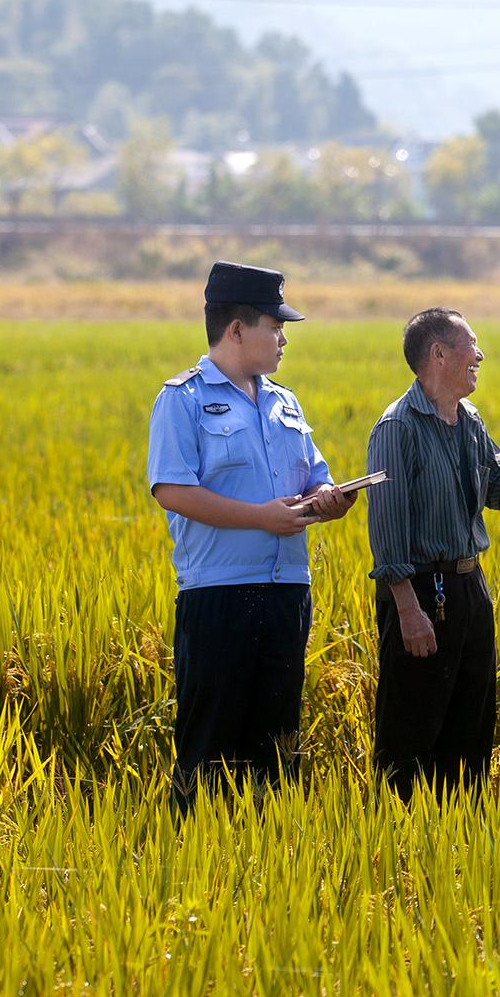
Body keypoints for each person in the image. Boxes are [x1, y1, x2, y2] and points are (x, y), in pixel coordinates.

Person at [147, 261, 356, 815]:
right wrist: (261, 517)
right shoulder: (183, 399)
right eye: (275, 326)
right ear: (237, 329)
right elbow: (172, 490)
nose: (284, 339)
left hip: (287, 592)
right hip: (219, 595)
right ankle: (194, 851)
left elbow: (315, 477)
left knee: (277, 746)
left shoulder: (285, 401)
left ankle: (268, 853)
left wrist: (329, 498)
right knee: (210, 748)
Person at [365, 308, 500, 802]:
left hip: (470, 589)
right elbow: (386, 527)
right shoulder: (397, 428)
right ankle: (397, 831)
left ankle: (461, 830)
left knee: (471, 723)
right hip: (419, 594)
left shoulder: (469, 420)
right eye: (470, 346)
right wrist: (408, 610)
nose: (480, 355)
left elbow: (497, 489)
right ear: (438, 354)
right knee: (412, 728)